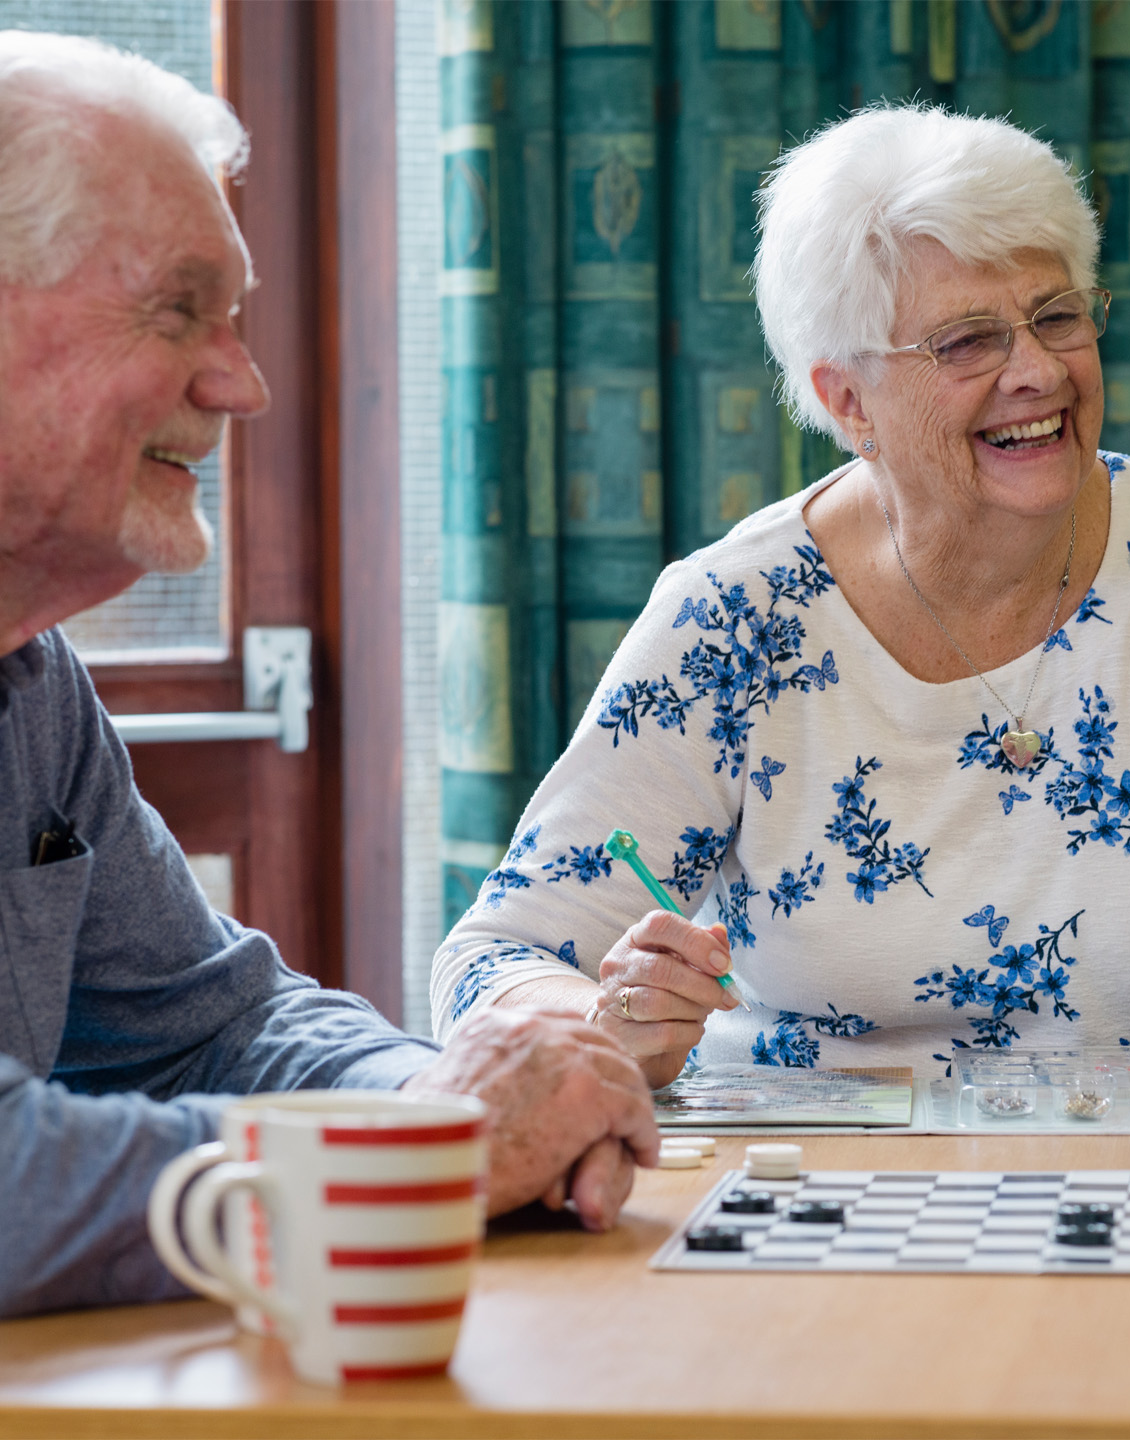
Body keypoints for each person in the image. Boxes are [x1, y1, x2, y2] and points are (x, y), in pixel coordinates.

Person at [432, 105, 1130, 1103]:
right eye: (967, 342)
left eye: (1056, 316)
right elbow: (495, 959)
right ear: (846, 400)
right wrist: (606, 1015)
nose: (1036, 372)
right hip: (824, 1218)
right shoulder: (734, 619)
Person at [0, 33, 659, 1319]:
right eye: (180, 307)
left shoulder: (33, 680)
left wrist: (437, 1095)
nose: (240, 383)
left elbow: (210, 1025)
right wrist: (425, 1154)